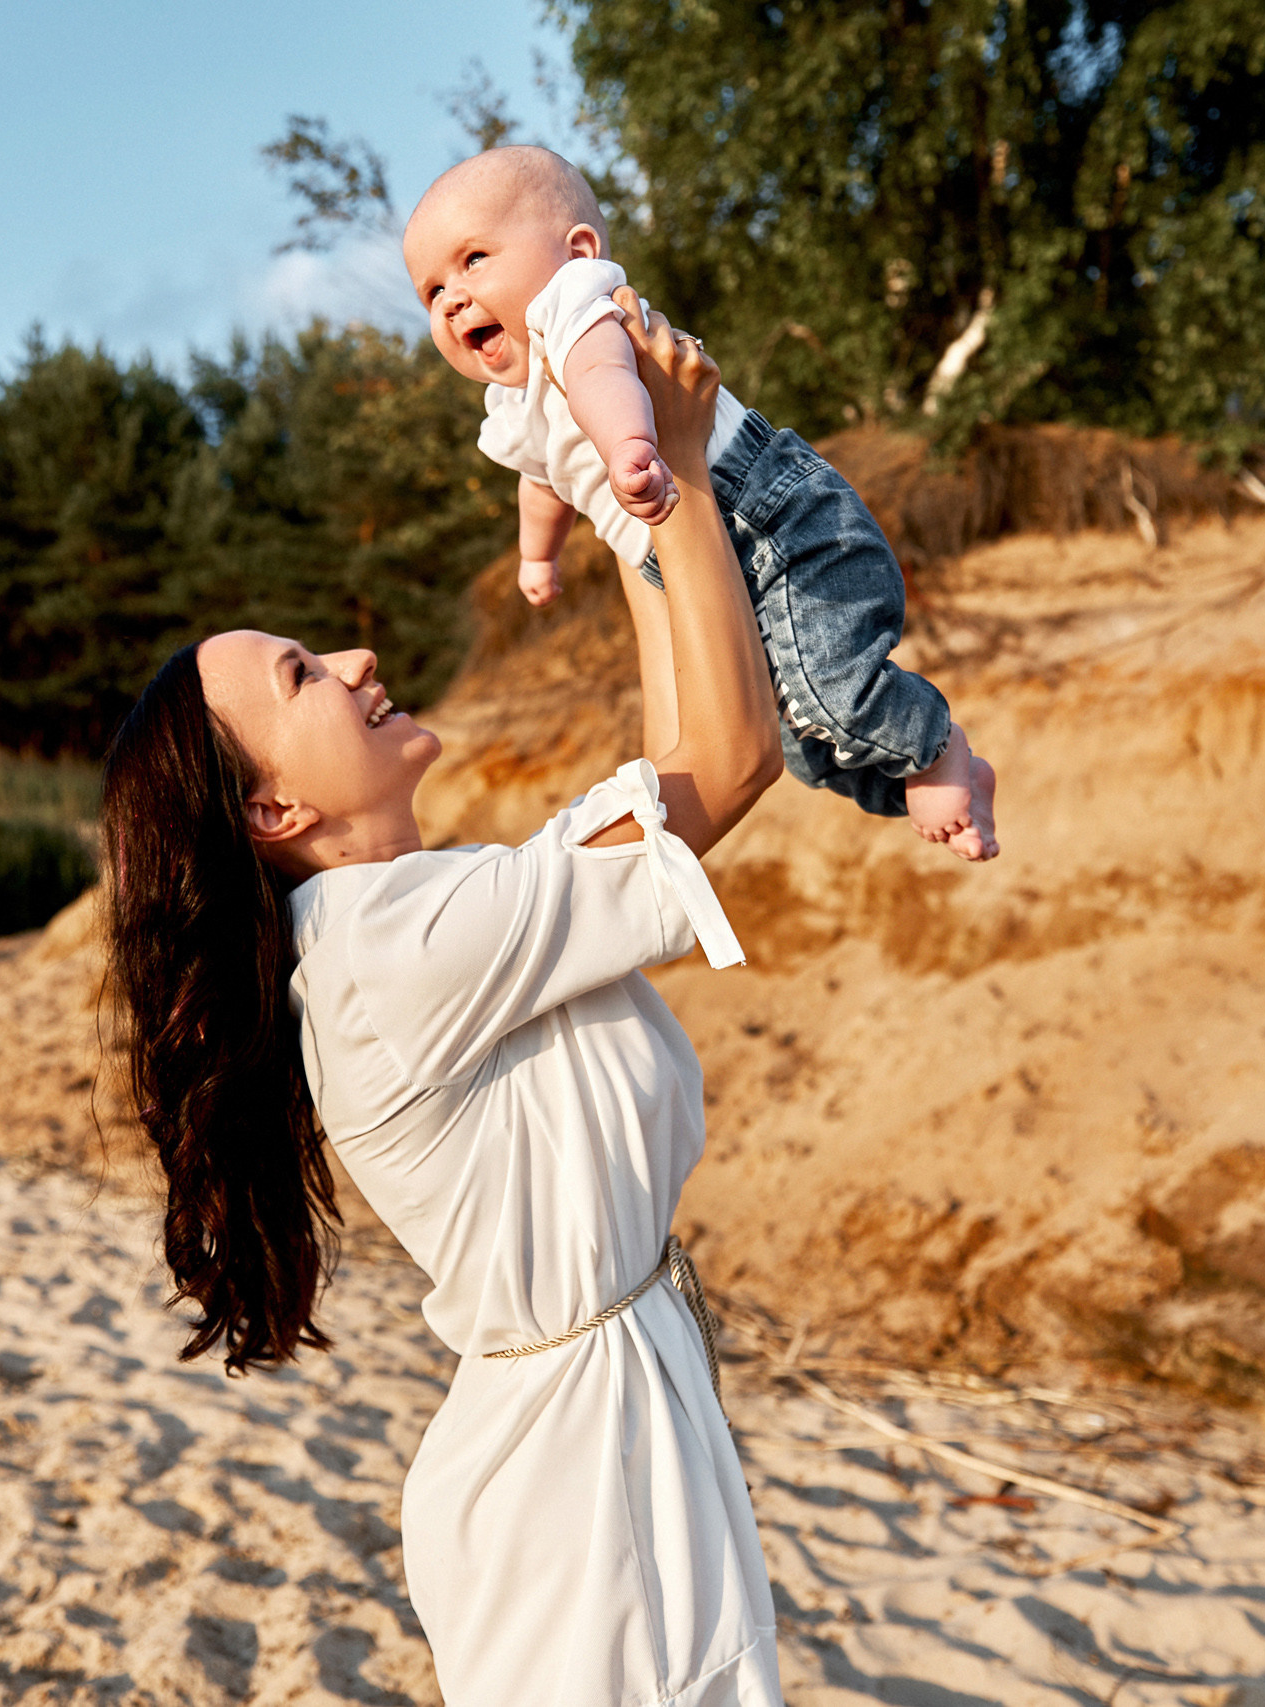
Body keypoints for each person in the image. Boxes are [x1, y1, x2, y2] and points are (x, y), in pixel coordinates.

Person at [104, 298, 787, 1705]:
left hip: (602, 1418)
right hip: (573, 1484)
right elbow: (731, 756)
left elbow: (675, 756)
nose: (353, 658)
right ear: (275, 804)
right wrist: (688, 477)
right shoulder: (381, 943)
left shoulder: (400, 920)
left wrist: (621, 485)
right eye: (302, 674)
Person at [401, 143, 999, 860]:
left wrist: (630, 444)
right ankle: (911, 785)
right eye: (432, 292)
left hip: (766, 514)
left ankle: (936, 750)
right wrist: (539, 555)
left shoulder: (574, 306)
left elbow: (601, 374)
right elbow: (541, 482)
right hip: (696, 559)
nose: (453, 297)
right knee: (794, 736)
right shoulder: (508, 405)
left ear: (579, 251)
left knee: (828, 689)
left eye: (472, 260)